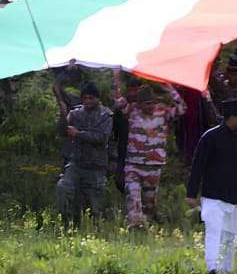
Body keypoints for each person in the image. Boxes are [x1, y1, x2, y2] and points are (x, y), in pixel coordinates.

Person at [185, 98, 237, 274]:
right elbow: (197, 166)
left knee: (231, 236)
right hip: (214, 195)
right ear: (231, 117)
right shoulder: (210, 137)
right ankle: (212, 269)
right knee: (214, 232)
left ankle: (227, 269)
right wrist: (191, 193)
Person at [115, 82, 186, 228]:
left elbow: (182, 108)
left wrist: (170, 89)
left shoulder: (163, 112)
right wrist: (116, 78)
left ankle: (148, 226)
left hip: (154, 165)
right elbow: (118, 101)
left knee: (149, 202)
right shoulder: (132, 111)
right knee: (133, 197)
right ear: (139, 103)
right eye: (147, 103)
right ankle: (135, 227)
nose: (151, 106)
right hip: (133, 165)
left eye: (153, 103)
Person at [56, 82, 114, 228]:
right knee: (63, 188)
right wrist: (63, 116)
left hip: (96, 166)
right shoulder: (75, 113)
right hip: (76, 163)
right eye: (85, 98)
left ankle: (97, 235)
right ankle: (67, 228)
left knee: (95, 207)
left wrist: (78, 134)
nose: (87, 101)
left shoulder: (105, 115)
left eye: (91, 98)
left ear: (98, 99)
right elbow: (62, 132)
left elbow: (101, 138)